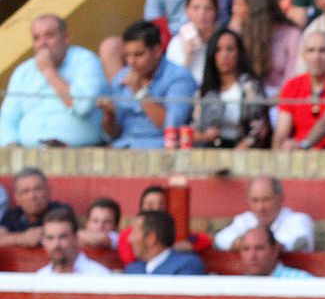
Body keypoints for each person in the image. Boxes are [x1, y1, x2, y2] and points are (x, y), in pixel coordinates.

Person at [0, 15, 109, 148]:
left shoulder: (86, 61)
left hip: (78, 154)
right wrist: (13, 150)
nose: (42, 43)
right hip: (28, 155)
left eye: (49, 36)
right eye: (36, 38)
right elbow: (7, 120)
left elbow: (82, 107)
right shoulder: (23, 71)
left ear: (66, 37)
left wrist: (49, 71)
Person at [100, 21, 198, 150]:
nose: (131, 62)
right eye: (127, 56)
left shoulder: (179, 78)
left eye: (138, 55)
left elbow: (171, 127)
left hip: (160, 150)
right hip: (123, 147)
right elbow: (114, 134)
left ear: (157, 51)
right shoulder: (122, 77)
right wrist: (109, 115)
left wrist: (139, 92)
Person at [274, 31, 325, 148]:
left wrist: (303, 145)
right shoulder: (292, 85)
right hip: (299, 159)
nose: (316, 57)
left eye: (322, 50)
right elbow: (281, 132)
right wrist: (277, 157)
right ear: (303, 55)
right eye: (311, 50)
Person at [194, 28, 271, 147]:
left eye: (230, 49)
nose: (224, 55)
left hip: (244, 152)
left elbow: (260, 124)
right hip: (210, 150)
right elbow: (194, 126)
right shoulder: (204, 91)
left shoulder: (249, 86)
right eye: (218, 50)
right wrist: (204, 136)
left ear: (239, 53)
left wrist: (244, 145)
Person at [234, 0, 303, 98]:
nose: (235, 10)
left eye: (240, 5)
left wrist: (269, 104)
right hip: (251, 98)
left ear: (254, 9)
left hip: (283, 101)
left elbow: (293, 79)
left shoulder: (291, 34)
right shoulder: (241, 34)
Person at [114, 185, 214, 265]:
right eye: (150, 204)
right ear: (142, 208)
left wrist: (191, 246)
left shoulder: (172, 230)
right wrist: (168, 250)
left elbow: (206, 240)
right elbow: (129, 259)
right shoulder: (129, 234)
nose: (156, 208)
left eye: (161, 204)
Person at [215, 176, 316, 251]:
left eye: (266, 200)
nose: (260, 207)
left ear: (280, 199)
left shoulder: (298, 220)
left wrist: (254, 245)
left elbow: (298, 242)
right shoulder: (246, 220)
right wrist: (244, 244)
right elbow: (220, 238)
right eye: (255, 200)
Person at [0, 169, 70, 249]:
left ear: (48, 192)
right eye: (25, 191)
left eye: (38, 189)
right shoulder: (13, 215)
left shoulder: (60, 211)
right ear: (17, 198)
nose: (32, 196)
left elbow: (73, 236)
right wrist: (21, 238)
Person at [165, 0, 222, 83]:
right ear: (187, 11)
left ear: (216, 12)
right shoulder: (176, 43)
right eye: (196, 8)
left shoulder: (224, 40)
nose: (202, 14)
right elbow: (174, 83)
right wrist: (188, 55)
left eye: (208, 8)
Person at [124, 210, 207, 275]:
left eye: (134, 232)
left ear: (151, 238)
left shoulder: (187, 265)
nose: (129, 239)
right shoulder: (132, 269)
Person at [36, 208, 111, 276]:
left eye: (62, 237)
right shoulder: (40, 277)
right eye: (50, 238)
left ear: (76, 238)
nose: (56, 244)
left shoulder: (99, 275)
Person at [236, 225, 315, 277]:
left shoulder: (301, 281)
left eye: (259, 248)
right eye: (246, 249)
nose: (252, 255)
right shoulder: (236, 285)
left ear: (274, 250)